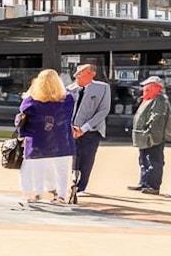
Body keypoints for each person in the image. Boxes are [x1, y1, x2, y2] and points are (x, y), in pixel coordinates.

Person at [15, 68, 75, 207]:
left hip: (37, 140)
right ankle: (61, 195)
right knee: (61, 170)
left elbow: (23, 113)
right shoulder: (67, 100)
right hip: (61, 140)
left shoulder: (31, 101)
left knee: (35, 168)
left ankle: (35, 193)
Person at [68, 62, 111, 201]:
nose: (78, 75)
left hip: (92, 130)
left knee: (87, 158)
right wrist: (71, 127)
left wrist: (84, 128)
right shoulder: (69, 89)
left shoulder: (103, 88)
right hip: (72, 130)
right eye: (77, 72)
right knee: (74, 157)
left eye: (82, 72)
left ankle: (82, 186)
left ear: (92, 74)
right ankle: (73, 183)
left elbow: (103, 110)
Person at [130, 76, 171, 195]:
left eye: (147, 87)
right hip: (144, 136)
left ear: (156, 87)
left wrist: (150, 135)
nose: (144, 89)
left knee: (153, 160)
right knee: (143, 160)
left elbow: (157, 119)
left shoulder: (160, 100)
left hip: (153, 137)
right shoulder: (148, 98)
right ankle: (144, 182)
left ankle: (153, 186)